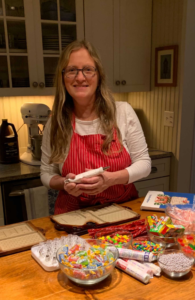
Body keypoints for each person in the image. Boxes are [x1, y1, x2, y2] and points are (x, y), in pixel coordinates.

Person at [41, 40, 151, 215]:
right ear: (62, 77)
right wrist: (64, 183)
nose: (80, 77)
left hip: (122, 212)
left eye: (88, 69)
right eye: (71, 70)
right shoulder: (56, 123)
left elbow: (144, 164)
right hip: (73, 215)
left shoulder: (122, 112)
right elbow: (46, 174)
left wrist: (110, 180)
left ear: (98, 75)